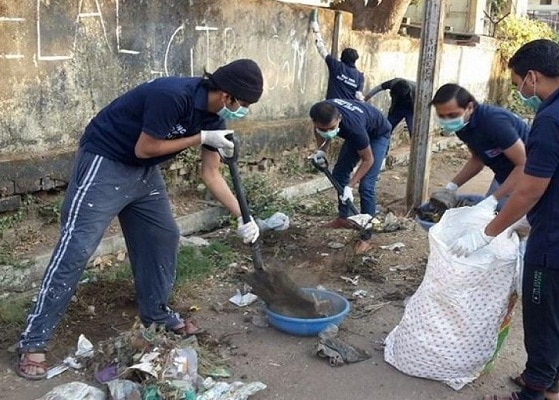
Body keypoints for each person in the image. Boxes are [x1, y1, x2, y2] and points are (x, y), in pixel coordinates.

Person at [15, 59, 265, 380]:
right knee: (76, 249)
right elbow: (145, 148)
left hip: (144, 175)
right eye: (242, 105)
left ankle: (156, 314)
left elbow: (211, 172)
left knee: (163, 236)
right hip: (105, 162)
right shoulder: (173, 95)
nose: (241, 112)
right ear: (228, 95)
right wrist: (198, 137)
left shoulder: (215, 120)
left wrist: (244, 217)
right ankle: (34, 339)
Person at [453, 40, 559, 400]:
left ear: (532, 77)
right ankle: (548, 384)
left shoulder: (553, 118)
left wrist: (487, 232)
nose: (519, 91)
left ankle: (534, 393)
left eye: (517, 84)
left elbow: (529, 190)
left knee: (543, 322)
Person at [308, 98, 392, 253]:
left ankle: (366, 237)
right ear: (314, 122)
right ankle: (343, 218)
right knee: (339, 173)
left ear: (339, 119)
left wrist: (349, 186)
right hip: (359, 128)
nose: (327, 133)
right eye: (323, 129)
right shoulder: (322, 111)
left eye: (331, 128)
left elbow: (368, 160)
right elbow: (321, 133)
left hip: (378, 133)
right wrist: (321, 150)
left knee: (366, 185)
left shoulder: (354, 129)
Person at [429, 84, 529, 211]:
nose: (447, 120)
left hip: (533, 173)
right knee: (489, 214)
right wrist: (451, 187)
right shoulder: (463, 127)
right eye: (442, 116)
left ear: (469, 107)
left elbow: (523, 164)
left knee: (505, 218)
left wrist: (493, 199)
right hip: (505, 173)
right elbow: (478, 159)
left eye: (452, 115)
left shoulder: (494, 122)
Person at [311, 20, 364, 101]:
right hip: (347, 110)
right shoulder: (360, 76)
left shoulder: (336, 66)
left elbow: (322, 49)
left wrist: (316, 29)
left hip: (331, 106)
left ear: (342, 58)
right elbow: (358, 95)